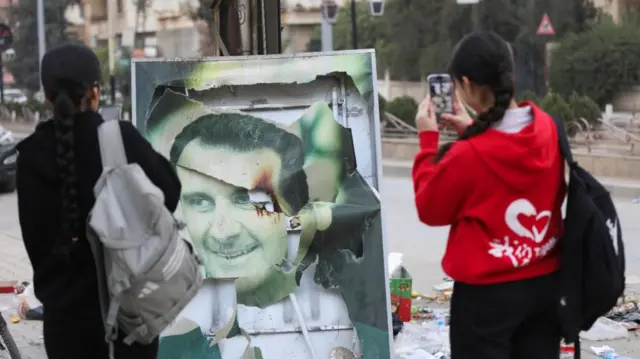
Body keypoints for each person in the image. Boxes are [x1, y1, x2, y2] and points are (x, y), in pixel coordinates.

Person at [16, 43, 181, 359]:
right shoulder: (119, 137)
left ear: (48, 96)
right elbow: (170, 193)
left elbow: (34, 240)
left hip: (64, 325)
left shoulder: (31, 155)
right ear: (94, 92)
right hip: (131, 315)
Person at [412, 31, 566, 359]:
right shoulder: (547, 129)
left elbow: (429, 207)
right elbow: (507, 156)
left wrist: (428, 141)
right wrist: (474, 130)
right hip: (546, 286)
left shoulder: (468, 156)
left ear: (465, 84)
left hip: (487, 299)